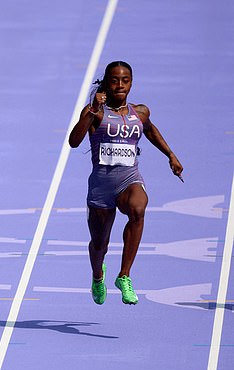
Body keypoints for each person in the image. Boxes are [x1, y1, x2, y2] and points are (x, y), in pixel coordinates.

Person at [69, 61, 183, 305]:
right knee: (99, 245)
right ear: (106, 84)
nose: (120, 85)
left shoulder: (139, 113)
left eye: (125, 80)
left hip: (129, 179)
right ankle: (98, 276)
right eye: (114, 80)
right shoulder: (95, 112)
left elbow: (150, 131)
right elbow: (74, 141)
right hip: (100, 187)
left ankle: (124, 275)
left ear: (131, 83)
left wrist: (170, 155)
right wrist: (91, 111)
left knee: (138, 208)